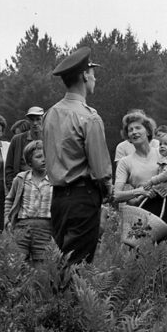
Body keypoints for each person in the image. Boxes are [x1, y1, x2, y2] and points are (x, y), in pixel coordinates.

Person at [43, 47, 112, 264]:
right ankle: (71, 299)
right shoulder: (89, 117)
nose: (95, 78)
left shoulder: (50, 114)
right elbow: (101, 171)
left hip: (58, 199)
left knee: (62, 259)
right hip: (83, 197)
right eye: (92, 73)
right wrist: (107, 191)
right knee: (78, 264)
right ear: (84, 75)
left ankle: (57, 298)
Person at [113, 112, 167, 243]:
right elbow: (116, 195)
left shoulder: (166, 155)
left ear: (148, 131)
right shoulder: (125, 162)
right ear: (128, 137)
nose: (134, 132)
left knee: (166, 255)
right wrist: (139, 191)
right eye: (130, 130)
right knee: (140, 256)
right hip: (141, 211)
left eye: (138, 128)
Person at [4, 140, 53, 262]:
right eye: (38, 157)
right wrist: (7, 220)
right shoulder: (21, 179)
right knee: (15, 264)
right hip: (22, 226)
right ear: (29, 161)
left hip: (46, 228)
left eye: (46, 156)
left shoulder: (54, 180)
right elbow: (10, 200)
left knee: (42, 266)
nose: (44, 160)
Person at [5, 106, 44, 188]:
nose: (35, 123)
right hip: (22, 185)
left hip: (44, 185)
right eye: (32, 120)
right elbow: (9, 166)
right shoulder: (17, 139)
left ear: (43, 120)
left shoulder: (50, 138)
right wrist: (11, 186)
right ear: (28, 121)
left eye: (38, 119)